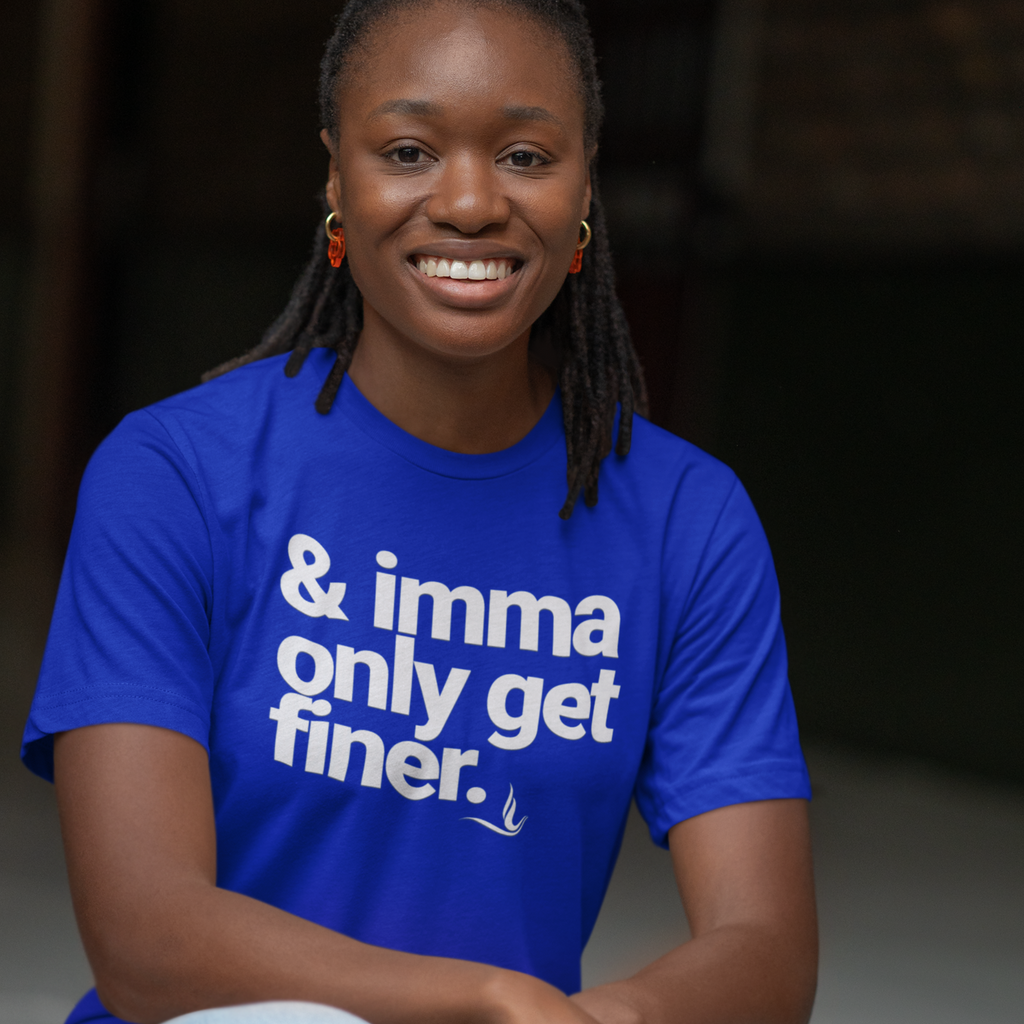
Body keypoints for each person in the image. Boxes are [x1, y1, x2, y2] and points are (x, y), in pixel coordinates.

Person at [22, 1, 817, 1023]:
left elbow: (767, 951)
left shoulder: (684, 520)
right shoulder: (175, 474)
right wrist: (487, 998)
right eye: (408, 151)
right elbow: (146, 939)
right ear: (335, 179)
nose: (472, 203)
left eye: (526, 156)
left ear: (584, 186)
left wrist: (597, 1020)